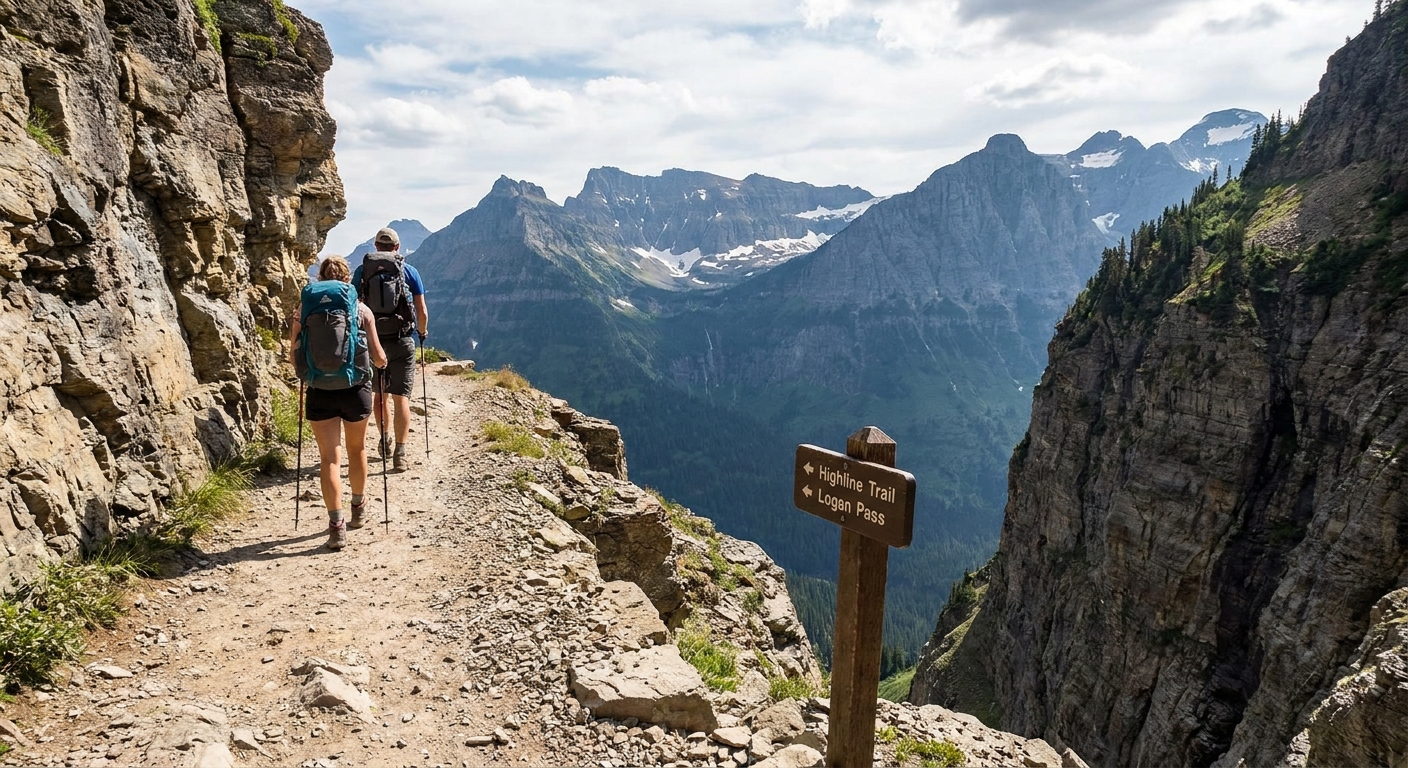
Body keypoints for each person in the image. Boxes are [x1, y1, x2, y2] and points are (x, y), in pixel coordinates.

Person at [288, 255, 388, 549]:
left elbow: (292, 352)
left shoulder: (302, 310)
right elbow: (379, 355)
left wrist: (305, 374)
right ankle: (358, 508)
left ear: (320, 279)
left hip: (319, 388)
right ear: (347, 280)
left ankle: (336, 526)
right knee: (357, 450)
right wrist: (381, 366)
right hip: (355, 388)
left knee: (329, 458)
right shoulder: (361, 310)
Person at [353, 227, 429, 472]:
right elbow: (421, 310)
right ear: (397, 247)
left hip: (373, 341)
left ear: (376, 246)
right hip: (402, 340)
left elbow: (354, 306)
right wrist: (422, 332)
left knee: (379, 395)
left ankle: (384, 437)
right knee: (401, 398)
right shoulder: (409, 271)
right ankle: (400, 452)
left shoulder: (362, 271)